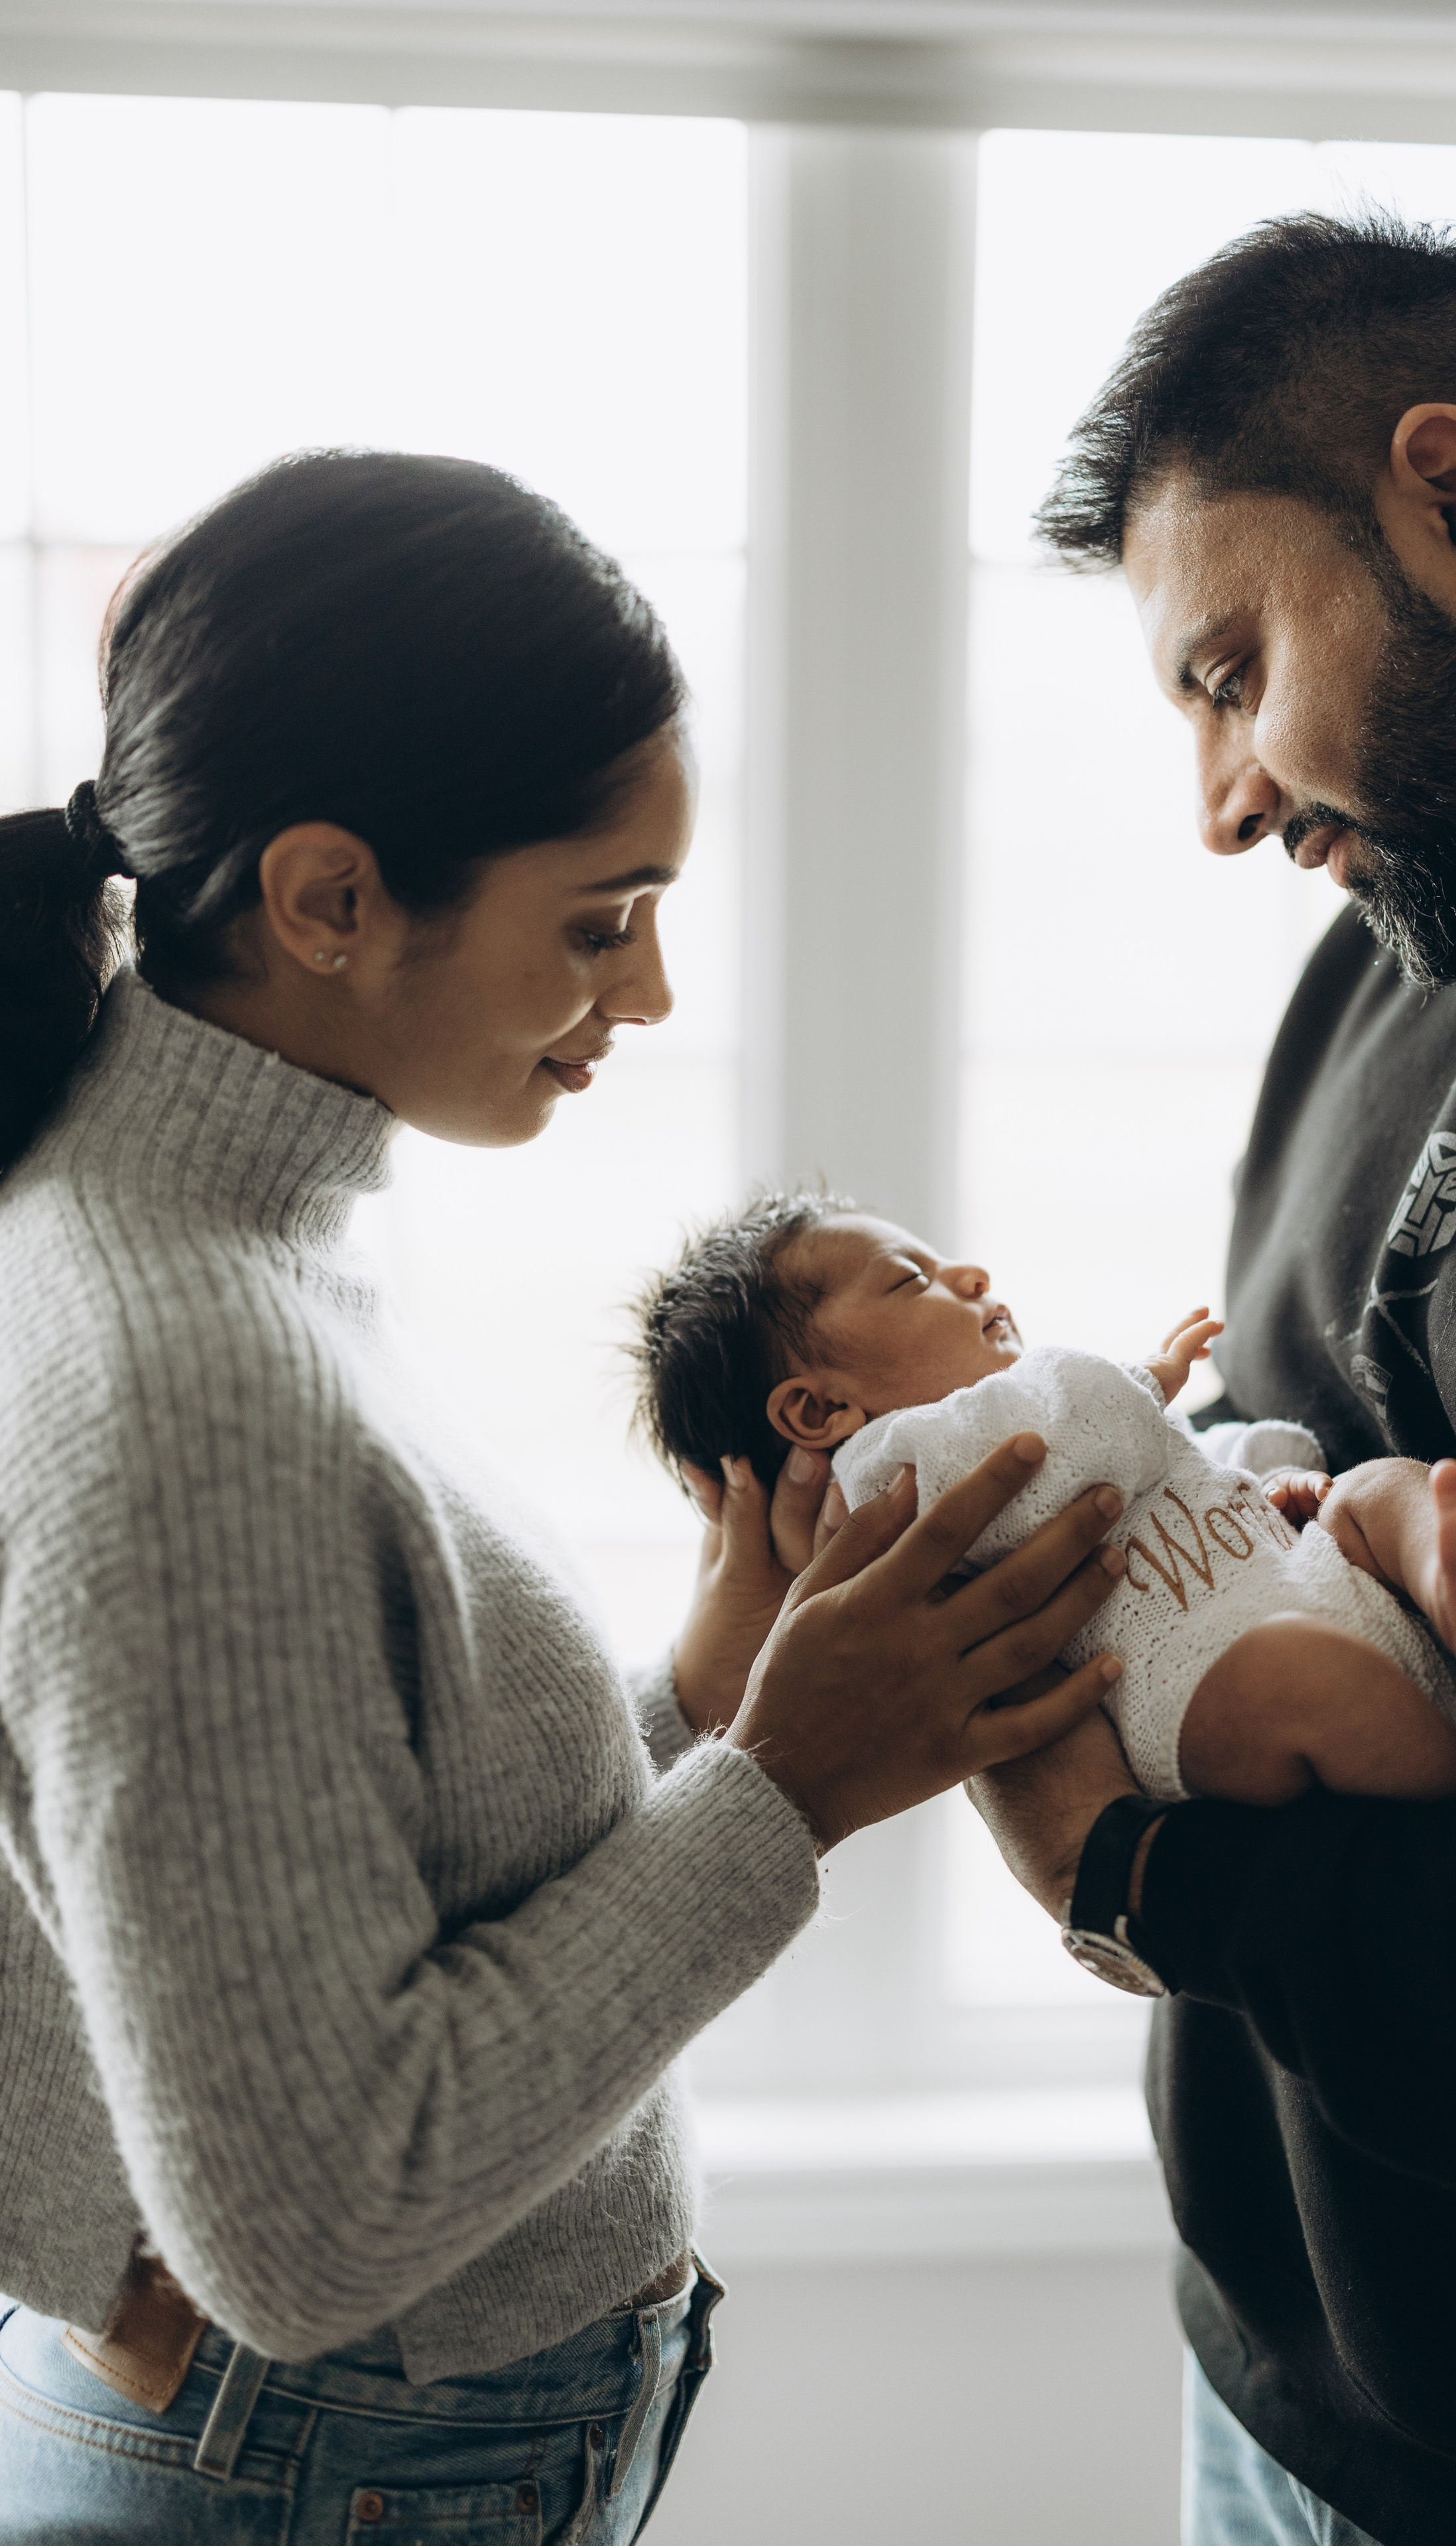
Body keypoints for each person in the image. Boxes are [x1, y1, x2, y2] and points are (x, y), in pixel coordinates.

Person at [0, 449, 1128, 2539]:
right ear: (329, 900)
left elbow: (339, 1853)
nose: (652, 995)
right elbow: (313, 2230)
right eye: (602, 922)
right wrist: (787, 1785)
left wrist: (703, 1699)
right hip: (339, 2461)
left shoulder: (216, 1241)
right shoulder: (188, 1374)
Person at [962, 210, 1456, 2546]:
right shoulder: (1403, 937)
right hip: (1276, 2371)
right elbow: (1273, 1479)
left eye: (1231, 670)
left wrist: (1137, 1870)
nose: (1219, 799)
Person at [632, 1192, 1456, 1813]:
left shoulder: (1033, 1412)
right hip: (1201, 1684)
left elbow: (1167, 1468)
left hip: (1294, 1573)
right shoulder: (895, 1478)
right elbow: (1079, 1442)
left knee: (1374, 1489)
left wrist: (1270, 1475)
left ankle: (1455, 1590)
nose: (971, 1276)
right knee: (1297, 1673)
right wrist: (1151, 1377)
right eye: (910, 1279)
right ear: (818, 1411)